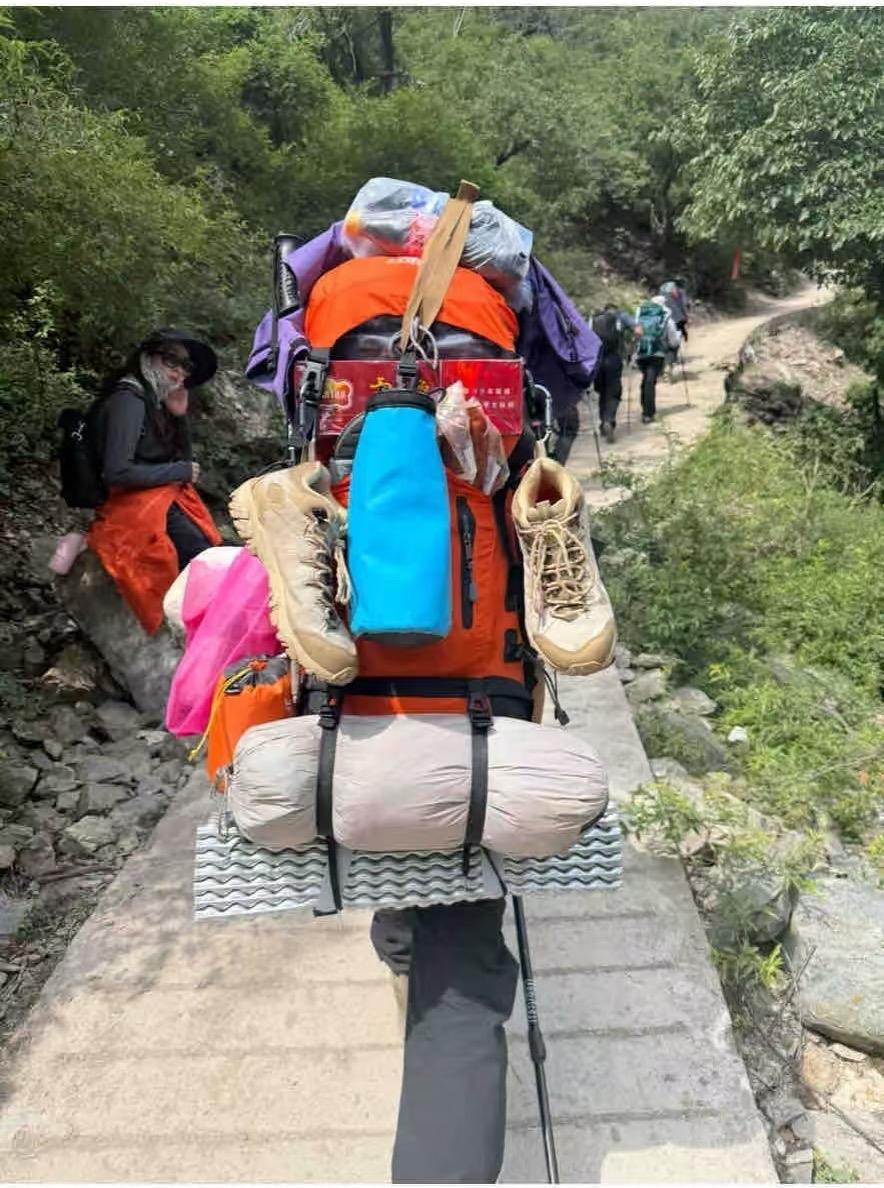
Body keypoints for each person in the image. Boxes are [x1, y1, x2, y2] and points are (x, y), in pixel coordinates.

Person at [87, 328, 222, 634]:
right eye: (171, 361)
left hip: (155, 499)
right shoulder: (129, 400)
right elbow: (117, 471)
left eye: (185, 367)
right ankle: (206, 635)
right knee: (201, 559)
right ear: (147, 359)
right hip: (130, 505)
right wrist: (178, 472)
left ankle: (208, 631)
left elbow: (178, 456)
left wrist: (179, 414)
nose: (179, 372)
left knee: (204, 555)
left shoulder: (153, 402)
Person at [590, 303, 638, 443]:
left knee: (602, 392)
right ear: (615, 310)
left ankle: (603, 423)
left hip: (597, 361)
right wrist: (631, 346)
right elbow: (638, 330)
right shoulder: (621, 317)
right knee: (613, 393)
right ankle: (609, 420)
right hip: (614, 360)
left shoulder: (593, 320)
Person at [634, 295, 682, 424]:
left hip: (641, 353)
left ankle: (645, 410)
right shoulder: (666, 317)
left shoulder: (640, 315)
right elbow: (673, 341)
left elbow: (635, 333)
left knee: (646, 380)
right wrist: (677, 340)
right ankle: (648, 413)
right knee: (650, 382)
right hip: (657, 354)